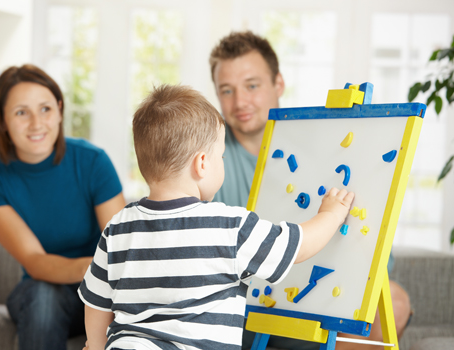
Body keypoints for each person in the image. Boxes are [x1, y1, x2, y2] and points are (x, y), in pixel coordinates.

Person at [78, 84, 354, 350]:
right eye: (220, 156)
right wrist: (331, 214)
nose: (222, 161)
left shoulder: (118, 227)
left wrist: (96, 344)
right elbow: (296, 247)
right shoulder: (228, 225)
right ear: (201, 164)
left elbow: (97, 301)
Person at [209, 31, 411, 349]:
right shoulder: (206, 158)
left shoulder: (327, 142)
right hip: (245, 303)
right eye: (227, 90)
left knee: (394, 303)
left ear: (278, 84)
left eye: (252, 85)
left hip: (322, 291)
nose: (240, 102)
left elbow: (374, 253)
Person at [0, 64, 126, 350]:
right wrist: (97, 268)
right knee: (44, 296)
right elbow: (35, 261)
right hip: (41, 294)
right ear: (2, 121)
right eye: (21, 112)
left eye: (45, 109)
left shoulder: (93, 162)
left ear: (60, 109)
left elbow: (121, 249)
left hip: (103, 292)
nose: (36, 123)